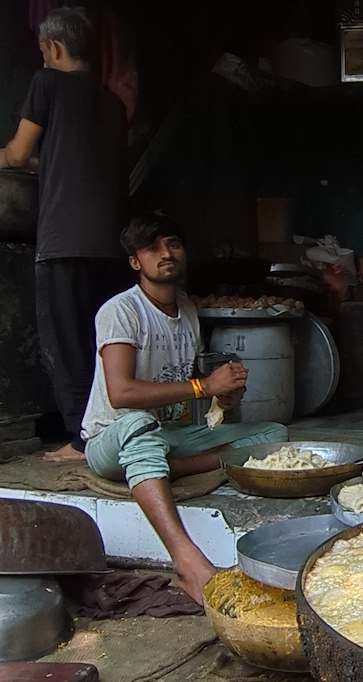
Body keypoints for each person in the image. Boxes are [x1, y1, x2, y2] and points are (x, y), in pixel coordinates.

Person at [81, 212, 287, 604]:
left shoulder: (188, 311)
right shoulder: (121, 311)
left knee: (272, 435)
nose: (166, 253)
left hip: (166, 437)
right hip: (113, 436)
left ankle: (159, 470)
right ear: (135, 262)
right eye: (152, 248)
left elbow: (189, 395)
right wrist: (202, 386)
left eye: (173, 244)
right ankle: (188, 562)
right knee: (140, 424)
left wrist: (223, 397)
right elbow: (121, 392)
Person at [0, 6, 128, 463]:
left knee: (65, 341)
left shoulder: (47, 83)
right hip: (110, 241)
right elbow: (73, 158)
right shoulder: (111, 102)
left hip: (64, 238)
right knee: (100, 341)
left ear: (53, 48)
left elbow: (16, 154)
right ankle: (108, 430)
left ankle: (81, 440)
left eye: (42, 51)